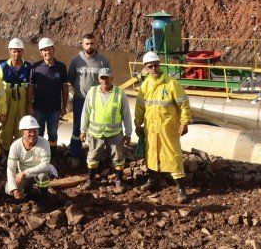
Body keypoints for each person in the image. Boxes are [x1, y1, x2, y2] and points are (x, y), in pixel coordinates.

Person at [134, 51, 192, 203]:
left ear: (160, 66)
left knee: (173, 156)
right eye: (150, 66)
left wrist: (184, 122)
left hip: (168, 128)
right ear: (145, 68)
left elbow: (183, 104)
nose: (153, 69)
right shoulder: (145, 85)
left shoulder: (171, 83)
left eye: (156, 65)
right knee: (151, 153)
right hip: (151, 128)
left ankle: (181, 189)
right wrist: (137, 123)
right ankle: (153, 179)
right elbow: (140, 106)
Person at [79, 67, 131, 191]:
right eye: (102, 78)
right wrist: (83, 130)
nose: (105, 80)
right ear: (99, 79)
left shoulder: (120, 93)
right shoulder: (92, 92)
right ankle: (91, 180)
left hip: (115, 134)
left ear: (111, 78)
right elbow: (85, 112)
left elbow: (126, 115)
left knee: (118, 158)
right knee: (92, 157)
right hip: (95, 133)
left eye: (107, 77)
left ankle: (118, 180)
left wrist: (128, 133)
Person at [67, 33, 111, 168]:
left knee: (96, 127)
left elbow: (107, 79)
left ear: (95, 43)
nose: (89, 46)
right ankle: (75, 153)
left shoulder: (103, 60)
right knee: (78, 127)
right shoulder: (76, 60)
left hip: (97, 101)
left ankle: (95, 154)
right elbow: (71, 78)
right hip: (80, 99)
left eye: (92, 43)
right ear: (82, 44)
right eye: (87, 44)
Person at [27, 37, 69, 161]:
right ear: (41, 52)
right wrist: (30, 105)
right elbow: (31, 88)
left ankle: (52, 155)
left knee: (53, 133)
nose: (47, 52)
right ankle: (38, 156)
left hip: (54, 109)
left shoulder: (61, 67)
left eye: (49, 49)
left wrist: (64, 106)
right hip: (39, 108)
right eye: (44, 50)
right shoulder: (36, 67)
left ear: (53, 50)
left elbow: (65, 88)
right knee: (38, 133)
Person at [6, 115, 56, 211]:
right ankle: (29, 190)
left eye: (35, 131)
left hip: (39, 172)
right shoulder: (15, 146)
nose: (32, 134)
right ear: (23, 132)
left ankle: (43, 199)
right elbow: (11, 168)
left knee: (43, 177)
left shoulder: (44, 143)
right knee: (9, 190)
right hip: (24, 175)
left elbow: (45, 165)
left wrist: (24, 173)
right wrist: (14, 189)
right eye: (29, 131)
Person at [0, 38, 32, 158]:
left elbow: (30, 87)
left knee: (20, 124)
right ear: (9, 51)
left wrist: (29, 104)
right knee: (7, 124)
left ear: (22, 51)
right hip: (8, 99)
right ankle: (5, 151)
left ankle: (19, 151)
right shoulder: (3, 67)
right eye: (14, 51)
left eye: (19, 51)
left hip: (22, 99)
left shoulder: (28, 67)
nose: (16, 54)